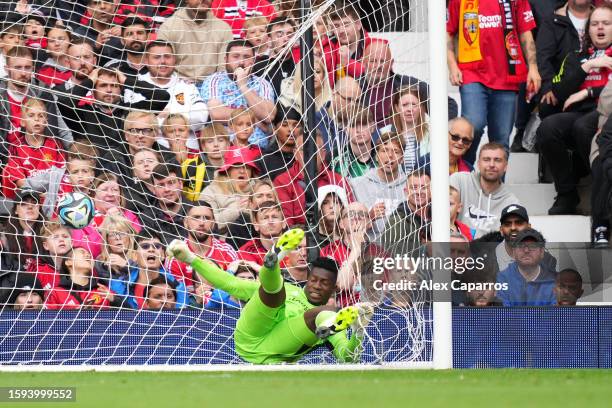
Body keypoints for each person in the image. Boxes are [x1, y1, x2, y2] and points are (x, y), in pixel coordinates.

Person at [166, 228, 374, 364]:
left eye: (325, 283)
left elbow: (348, 358)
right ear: (308, 278)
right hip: (251, 336)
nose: (317, 286)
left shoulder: (331, 315)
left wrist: (358, 332)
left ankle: (323, 330)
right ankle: (274, 258)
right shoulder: (291, 290)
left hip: (278, 347)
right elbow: (228, 282)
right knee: (276, 291)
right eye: (314, 280)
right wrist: (191, 259)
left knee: (321, 315)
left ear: (334, 289)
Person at [537, 4, 612, 215]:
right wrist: (587, 66)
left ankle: (602, 187)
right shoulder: (575, 57)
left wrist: (587, 93)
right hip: (579, 112)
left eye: (606, 23)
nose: (600, 28)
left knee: (582, 126)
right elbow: (559, 91)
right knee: (548, 128)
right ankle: (567, 193)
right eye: (595, 23)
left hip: (607, 113)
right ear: (587, 30)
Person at [446, 0, 541, 165]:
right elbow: (448, 32)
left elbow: (525, 32)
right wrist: (452, 65)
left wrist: (533, 67)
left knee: (501, 140)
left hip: (506, 77)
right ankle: (464, 177)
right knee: (473, 126)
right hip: (472, 73)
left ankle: (496, 189)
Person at [57, 67, 170, 152]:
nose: (109, 90)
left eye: (114, 86)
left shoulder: (132, 112)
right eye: (103, 85)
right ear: (93, 90)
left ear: (121, 89)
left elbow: (162, 96)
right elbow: (63, 101)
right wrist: (90, 80)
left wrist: (126, 81)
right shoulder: (82, 114)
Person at [358, 39, 458, 127]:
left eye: (383, 61)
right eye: (373, 61)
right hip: (365, 145)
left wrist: (434, 134)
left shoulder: (406, 84)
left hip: (401, 144)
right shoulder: (355, 87)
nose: (378, 66)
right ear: (363, 62)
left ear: (391, 63)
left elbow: (450, 105)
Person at [199, 39, 276, 148]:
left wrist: (242, 85)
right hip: (225, 147)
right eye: (236, 56)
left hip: (258, 149)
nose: (241, 62)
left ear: (253, 60)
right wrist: (256, 119)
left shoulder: (262, 83)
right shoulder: (214, 80)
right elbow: (216, 113)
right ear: (226, 59)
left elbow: (268, 115)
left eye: (246, 57)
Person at [0, 46, 68, 163]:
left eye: (27, 68)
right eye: (17, 67)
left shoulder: (42, 92)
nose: (23, 73)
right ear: (7, 69)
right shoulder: (2, 96)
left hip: (43, 159)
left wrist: (74, 151)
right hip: (8, 161)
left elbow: (60, 130)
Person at [139, 40, 209, 147]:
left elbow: (200, 118)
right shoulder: (136, 85)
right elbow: (138, 124)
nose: (163, 61)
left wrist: (165, 116)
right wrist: (182, 116)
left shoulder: (187, 86)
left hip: (189, 152)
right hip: (150, 152)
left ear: (174, 60)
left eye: (167, 56)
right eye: (157, 57)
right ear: (146, 61)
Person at [535, 0, 592, 122]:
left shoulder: (603, 17)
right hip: (562, 87)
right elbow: (543, 57)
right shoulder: (552, 21)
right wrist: (548, 87)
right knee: (547, 105)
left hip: (596, 84)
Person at [164, 201, 238, 293]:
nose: (201, 223)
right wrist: (196, 300)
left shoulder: (227, 251)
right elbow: (176, 297)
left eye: (206, 218)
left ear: (213, 224)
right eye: (196, 218)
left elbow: (236, 288)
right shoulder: (176, 255)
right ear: (186, 223)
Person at [450, 142, 520, 238]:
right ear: (478, 164)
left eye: (497, 160)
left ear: (506, 166)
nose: (491, 164)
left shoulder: (511, 202)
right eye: (486, 160)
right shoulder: (459, 181)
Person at [2, 98, 65, 199]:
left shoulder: (55, 144)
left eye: (41, 116)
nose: (36, 119)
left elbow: (61, 175)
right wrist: (39, 195)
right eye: (31, 115)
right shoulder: (16, 147)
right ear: (22, 122)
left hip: (53, 195)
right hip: (29, 198)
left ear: (46, 121)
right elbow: (20, 182)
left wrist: (49, 195)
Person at [349, 131, 406, 241]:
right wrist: (369, 216)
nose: (390, 156)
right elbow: (348, 226)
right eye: (385, 150)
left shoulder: (410, 185)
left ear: (402, 159)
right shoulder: (357, 185)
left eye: (396, 151)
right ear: (376, 156)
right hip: (370, 251)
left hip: (402, 250)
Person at [157, 0, 234, 81]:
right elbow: (164, 64)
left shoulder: (223, 28)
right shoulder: (169, 26)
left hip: (211, 85)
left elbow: (223, 68)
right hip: (177, 84)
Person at [23, 142, 97, 218]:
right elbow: (27, 185)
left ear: (92, 173)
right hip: (52, 224)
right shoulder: (56, 176)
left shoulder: (97, 190)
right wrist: (39, 196)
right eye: (75, 172)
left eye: (84, 171)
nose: (80, 176)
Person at [200, 146, 260, 233]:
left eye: (246, 167)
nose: (242, 171)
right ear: (227, 170)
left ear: (252, 171)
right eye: (237, 166)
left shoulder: (261, 190)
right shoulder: (210, 192)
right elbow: (204, 224)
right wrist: (236, 210)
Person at [126, 231, 187, 309]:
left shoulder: (179, 288)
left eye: (157, 246)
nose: (151, 249)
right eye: (145, 246)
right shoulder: (122, 286)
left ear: (163, 255)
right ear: (134, 255)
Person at [496, 228, 557, 307]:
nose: (526, 250)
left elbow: (555, 316)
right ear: (514, 252)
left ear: (542, 252)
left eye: (532, 246)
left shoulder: (556, 282)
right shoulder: (502, 279)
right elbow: (503, 314)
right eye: (521, 246)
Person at [44, 246, 119, 310]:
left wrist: (114, 300)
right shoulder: (55, 293)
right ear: (68, 262)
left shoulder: (103, 290)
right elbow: (46, 323)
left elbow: (127, 317)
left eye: (89, 254)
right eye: (82, 252)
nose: (88, 255)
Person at [380, 171, 431, 257]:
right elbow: (396, 259)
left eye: (423, 187)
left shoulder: (439, 217)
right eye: (414, 188)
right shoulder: (397, 221)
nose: (418, 192)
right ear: (406, 192)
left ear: (431, 191)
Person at [181, 123, 230, 201]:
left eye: (220, 140)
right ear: (203, 147)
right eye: (210, 141)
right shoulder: (191, 166)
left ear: (228, 145)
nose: (216, 145)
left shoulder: (234, 167)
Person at [251, 16, 298, 96]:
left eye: (289, 35)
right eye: (279, 35)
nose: (286, 39)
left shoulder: (299, 69)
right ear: (269, 41)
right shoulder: (257, 68)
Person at [226, 178, 278, 250]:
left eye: (269, 196)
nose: (265, 200)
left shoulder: (282, 225)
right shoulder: (238, 228)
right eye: (259, 196)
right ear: (251, 203)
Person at [0, 189, 45, 270]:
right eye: (24, 203)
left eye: (34, 203)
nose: (30, 206)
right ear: (16, 210)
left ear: (39, 209)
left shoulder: (49, 235)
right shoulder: (4, 238)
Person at [255, 104, 302, 181]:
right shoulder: (264, 160)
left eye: (296, 125)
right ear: (275, 129)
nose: (291, 129)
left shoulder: (307, 157)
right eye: (284, 125)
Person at [329, 107, 376, 179]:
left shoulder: (384, 153)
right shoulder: (333, 158)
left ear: (372, 127)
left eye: (363, 124)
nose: (358, 130)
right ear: (345, 129)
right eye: (352, 125)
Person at [391, 85, 429, 173]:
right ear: (397, 108)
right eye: (404, 105)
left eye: (414, 104)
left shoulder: (431, 134)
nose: (409, 109)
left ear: (420, 107)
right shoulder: (386, 132)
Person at [238, 200, 287, 265]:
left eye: (274, 217)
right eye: (265, 218)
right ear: (256, 225)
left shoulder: (295, 246)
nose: (270, 221)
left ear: (284, 223)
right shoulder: (247, 251)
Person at [212, 0, 276, 39]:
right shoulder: (219, 2)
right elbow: (214, 29)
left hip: (257, 54)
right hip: (227, 50)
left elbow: (273, 31)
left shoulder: (265, 5)